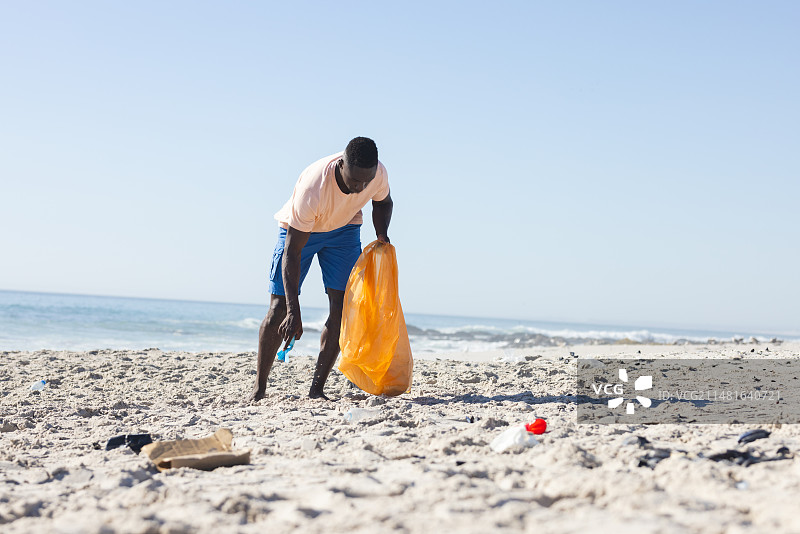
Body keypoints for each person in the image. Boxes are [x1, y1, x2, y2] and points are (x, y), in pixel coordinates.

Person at [249, 137, 393, 401]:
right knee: (278, 308)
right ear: (341, 165)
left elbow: (383, 202)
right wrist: (294, 310)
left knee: (342, 309)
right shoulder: (314, 187)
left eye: (365, 182)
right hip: (301, 232)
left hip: (345, 231)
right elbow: (292, 253)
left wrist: (382, 233)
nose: (360, 187)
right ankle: (259, 389)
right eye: (354, 181)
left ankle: (317, 390)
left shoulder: (378, 174)